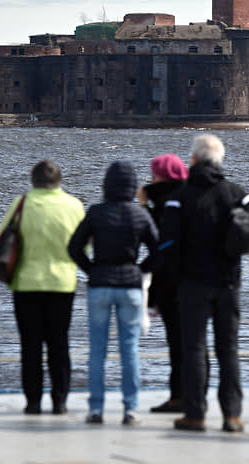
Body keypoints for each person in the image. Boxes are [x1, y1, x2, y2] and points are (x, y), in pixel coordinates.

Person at [160, 134, 249, 433]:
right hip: (229, 283)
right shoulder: (237, 194)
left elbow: (166, 243)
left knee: (194, 349)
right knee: (228, 349)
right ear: (220, 160)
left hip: (192, 283)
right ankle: (232, 416)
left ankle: (195, 414)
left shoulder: (179, 198)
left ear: (193, 160)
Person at [68, 161, 158, 426]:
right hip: (130, 285)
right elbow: (159, 250)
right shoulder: (140, 214)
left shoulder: (96, 212)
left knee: (97, 350)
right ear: (133, 186)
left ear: (106, 184)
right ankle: (130, 410)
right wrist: (140, 270)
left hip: (100, 284)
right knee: (129, 350)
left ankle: (96, 409)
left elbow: (74, 248)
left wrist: (92, 270)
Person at [0, 160, 84, 415]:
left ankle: (33, 401)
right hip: (62, 283)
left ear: (32, 179)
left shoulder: (22, 204)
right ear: (59, 180)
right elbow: (84, 246)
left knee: (30, 346)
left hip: (26, 283)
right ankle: (60, 401)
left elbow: (4, 240)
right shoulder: (74, 206)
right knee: (59, 344)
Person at [136, 153, 199, 414]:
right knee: (194, 343)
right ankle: (196, 396)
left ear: (162, 175)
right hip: (198, 279)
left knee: (178, 343)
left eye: (154, 174)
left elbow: (154, 236)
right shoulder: (192, 194)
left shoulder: (164, 200)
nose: (151, 179)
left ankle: (179, 398)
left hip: (173, 282)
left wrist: (142, 205)